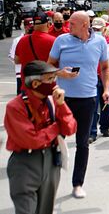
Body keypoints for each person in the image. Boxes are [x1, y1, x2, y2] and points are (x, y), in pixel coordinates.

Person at [48, 11, 109, 199]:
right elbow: (48, 65)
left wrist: (106, 89)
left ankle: (77, 184)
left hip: (88, 98)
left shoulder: (100, 42)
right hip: (63, 99)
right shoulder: (61, 40)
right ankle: (50, 184)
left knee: (83, 143)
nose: (68, 26)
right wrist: (61, 73)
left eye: (72, 23)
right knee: (56, 142)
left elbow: (105, 67)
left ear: (85, 25)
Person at [4, 61, 77, 214]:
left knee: (45, 209)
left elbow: (70, 127)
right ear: (36, 83)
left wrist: (62, 105)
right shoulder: (15, 107)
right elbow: (32, 140)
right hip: (25, 162)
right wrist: (56, 127)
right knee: (26, 210)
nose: (54, 84)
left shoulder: (53, 100)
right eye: (50, 79)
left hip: (50, 160)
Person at [15, 11, 57, 90]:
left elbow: (17, 60)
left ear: (33, 25)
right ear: (48, 24)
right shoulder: (53, 41)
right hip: (46, 88)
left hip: (27, 87)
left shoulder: (22, 40)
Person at [9, 18, 33, 94]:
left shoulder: (37, 39)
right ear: (25, 27)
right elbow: (12, 57)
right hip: (20, 73)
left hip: (35, 74)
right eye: (29, 26)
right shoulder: (17, 40)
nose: (31, 28)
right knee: (21, 97)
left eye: (33, 26)